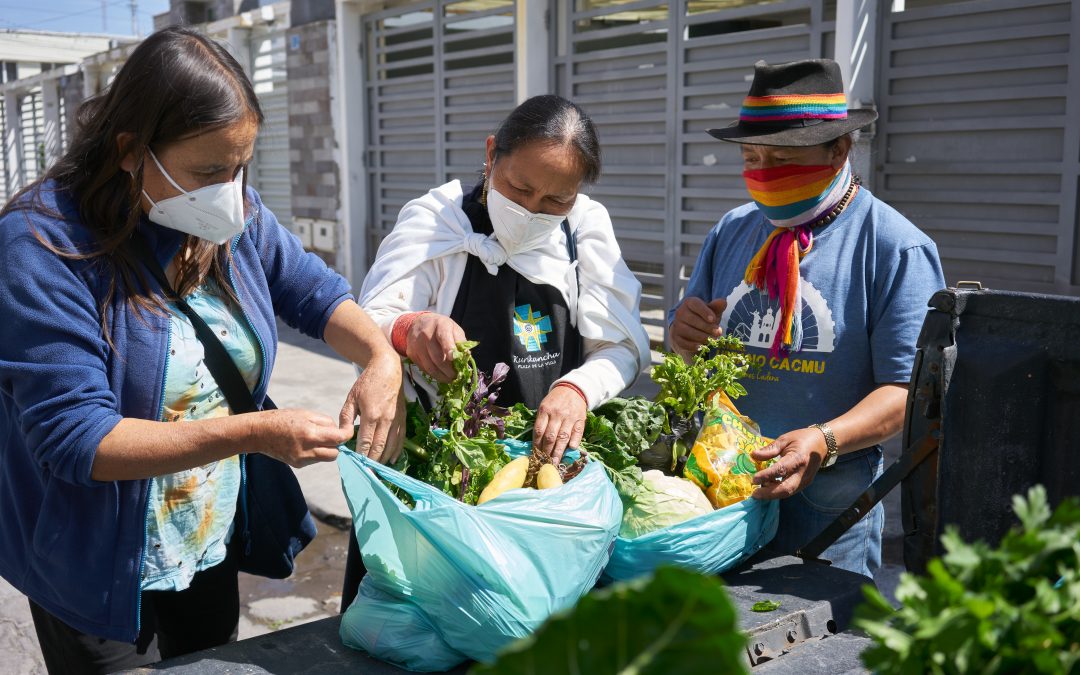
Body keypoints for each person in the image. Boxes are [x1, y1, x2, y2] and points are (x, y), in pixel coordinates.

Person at [0, 27, 404, 673]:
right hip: (97, 569)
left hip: (202, 539)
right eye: (210, 170)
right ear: (132, 150)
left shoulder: (225, 216)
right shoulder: (40, 246)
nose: (233, 191)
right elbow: (78, 438)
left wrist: (381, 357)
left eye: (241, 165)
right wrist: (255, 432)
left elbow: (314, 292)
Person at [341, 94, 650, 607]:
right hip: (433, 484)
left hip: (541, 488)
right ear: (490, 154)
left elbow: (621, 345)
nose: (532, 210)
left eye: (556, 200)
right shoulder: (436, 220)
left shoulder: (585, 230)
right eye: (519, 187)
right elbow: (366, 323)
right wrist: (409, 330)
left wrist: (577, 389)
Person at [669, 59, 945, 578]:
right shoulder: (731, 231)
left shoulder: (895, 247)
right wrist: (684, 336)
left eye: (782, 156)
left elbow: (908, 392)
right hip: (723, 493)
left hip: (828, 505)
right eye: (752, 156)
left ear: (839, 149)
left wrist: (822, 440)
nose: (765, 170)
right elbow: (691, 349)